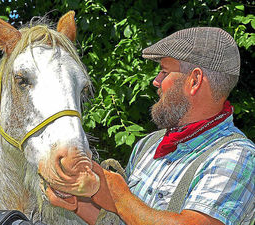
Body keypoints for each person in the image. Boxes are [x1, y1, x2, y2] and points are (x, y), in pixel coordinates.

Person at [46, 27, 255, 225]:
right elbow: (125, 219)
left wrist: (119, 196)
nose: (156, 81)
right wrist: (78, 204)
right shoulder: (150, 145)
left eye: (164, 72)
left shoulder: (237, 157)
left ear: (195, 81)